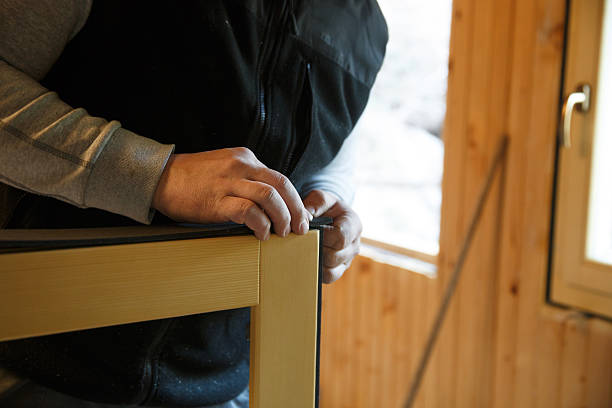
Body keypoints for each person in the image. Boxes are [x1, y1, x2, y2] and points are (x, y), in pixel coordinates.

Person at [0, 0, 388, 406]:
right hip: (34, 361)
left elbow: (338, 153)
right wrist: (157, 175)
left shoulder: (367, 28)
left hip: (230, 382)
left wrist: (333, 199)